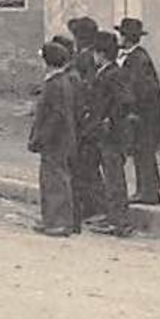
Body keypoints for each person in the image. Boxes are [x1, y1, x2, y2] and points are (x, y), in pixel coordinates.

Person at [87, 29, 137, 236]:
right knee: (111, 176)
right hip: (109, 132)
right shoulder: (109, 72)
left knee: (114, 177)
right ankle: (113, 216)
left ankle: (119, 221)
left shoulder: (113, 74)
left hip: (113, 135)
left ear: (101, 53)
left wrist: (110, 119)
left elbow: (125, 101)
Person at [28, 41, 78, 237]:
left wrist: (40, 138)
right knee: (54, 179)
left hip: (55, 140)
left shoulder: (54, 84)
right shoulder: (62, 81)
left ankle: (59, 222)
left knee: (55, 180)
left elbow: (54, 116)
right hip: (61, 139)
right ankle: (52, 219)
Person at [116, 18, 160, 205]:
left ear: (126, 37)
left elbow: (142, 88)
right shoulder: (135, 56)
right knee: (142, 152)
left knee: (143, 152)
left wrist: (132, 108)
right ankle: (147, 189)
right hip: (144, 113)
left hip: (143, 114)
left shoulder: (137, 59)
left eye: (121, 35)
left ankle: (147, 191)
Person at [65, 16, 105, 229]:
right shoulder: (87, 56)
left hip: (86, 119)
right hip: (86, 117)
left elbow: (88, 87)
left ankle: (94, 207)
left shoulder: (85, 59)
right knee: (87, 164)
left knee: (85, 165)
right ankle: (90, 206)